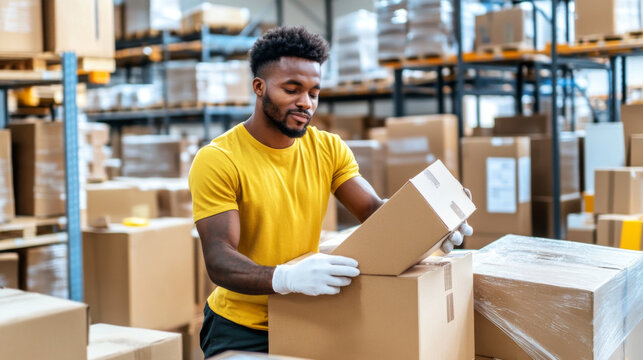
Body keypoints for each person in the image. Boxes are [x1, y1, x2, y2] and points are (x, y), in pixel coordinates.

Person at [188, 26, 473, 358]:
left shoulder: (327, 148)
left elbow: (375, 212)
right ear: (259, 87)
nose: (305, 103)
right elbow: (219, 259)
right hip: (241, 328)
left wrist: (431, 228)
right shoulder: (220, 159)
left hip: (307, 314)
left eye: (314, 92)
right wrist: (285, 278)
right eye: (292, 89)